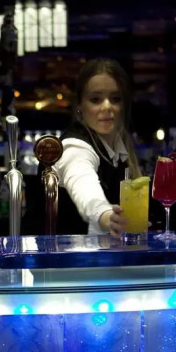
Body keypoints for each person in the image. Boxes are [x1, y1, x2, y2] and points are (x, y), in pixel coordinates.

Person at [53, 58, 146, 236]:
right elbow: (83, 185)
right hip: (66, 253)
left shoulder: (119, 146)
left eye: (115, 99)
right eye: (95, 99)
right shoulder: (75, 147)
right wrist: (105, 215)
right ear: (79, 105)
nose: (107, 106)